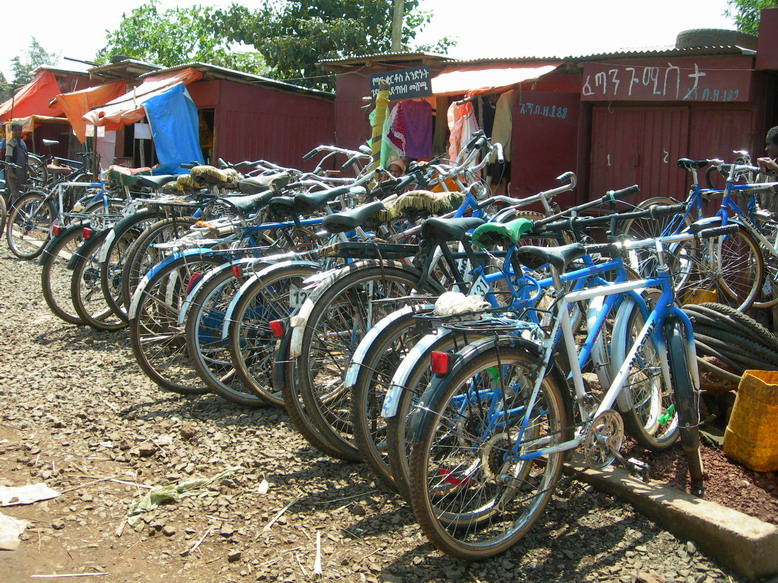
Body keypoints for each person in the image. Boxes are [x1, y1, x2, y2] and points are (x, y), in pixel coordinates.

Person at [5, 121, 28, 205]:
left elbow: (26, 159)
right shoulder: (10, 143)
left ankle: (20, 215)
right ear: (12, 131)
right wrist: (10, 172)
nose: (18, 132)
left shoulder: (22, 143)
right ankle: (14, 216)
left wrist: (31, 171)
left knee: (23, 195)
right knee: (15, 194)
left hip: (22, 173)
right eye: (15, 130)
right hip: (14, 173)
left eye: (19, 130)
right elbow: (8, 158)